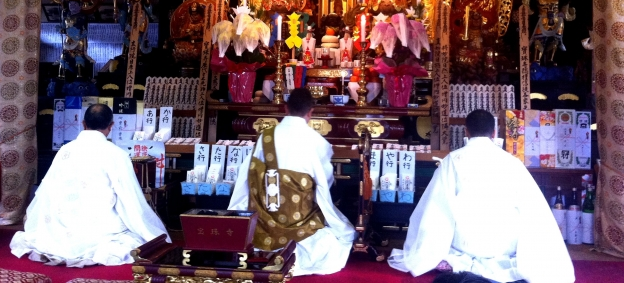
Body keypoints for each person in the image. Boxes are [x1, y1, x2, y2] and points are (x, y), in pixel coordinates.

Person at [388, 109, 575, 283]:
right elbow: (532, 207)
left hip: (466, 243)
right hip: (504, 244)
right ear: (494, 133)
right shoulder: (512, 162)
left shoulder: (453, 160)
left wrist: (428, 247)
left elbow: (436, 208)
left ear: (466, 132)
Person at [10, 104, 169, 267]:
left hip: (61, 223)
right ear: (111, 126)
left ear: (84, 124)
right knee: (134, 233)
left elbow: (48, 190)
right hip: (98, 224)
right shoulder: (116, 154)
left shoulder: (65, 150)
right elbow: (129, 196)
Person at [229, 88, 355, 276]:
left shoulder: (266, 136)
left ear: (285, 109)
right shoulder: (318, 142)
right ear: (310, 112)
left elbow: (248, 175)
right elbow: (324, 183)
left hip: (265, 219)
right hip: (300, 219)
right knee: (340, 234)